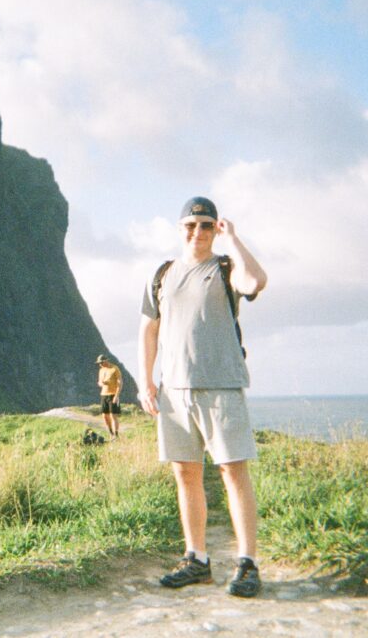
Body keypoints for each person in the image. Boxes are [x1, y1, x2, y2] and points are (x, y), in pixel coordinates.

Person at [137, 196, 268, 598]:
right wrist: (146, 382)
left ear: (216, 229)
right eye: (191, 225)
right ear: (180, 229)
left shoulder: (226, 268)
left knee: (233, 471)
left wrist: (235, 240)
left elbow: (256, 283)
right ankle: (197, 559)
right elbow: (149, 330)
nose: (198, 232)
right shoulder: (161, 274)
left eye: (207, 225)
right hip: (175, 390)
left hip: (222, 386)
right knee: (186, 473)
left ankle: (247, 564)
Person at [95, 354, 123, 439]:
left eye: (101, 362)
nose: (100, 364)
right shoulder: (101, 370)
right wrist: (101, 383)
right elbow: (99, 382)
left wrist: (116, 395)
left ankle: (116, 435)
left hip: (113, 394)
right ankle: (111, 433)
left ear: (106, 361)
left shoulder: (115, 369)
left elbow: (120, 383)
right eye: (99, 363)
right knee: (105, 415)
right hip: (104, 394)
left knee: (113, 415)